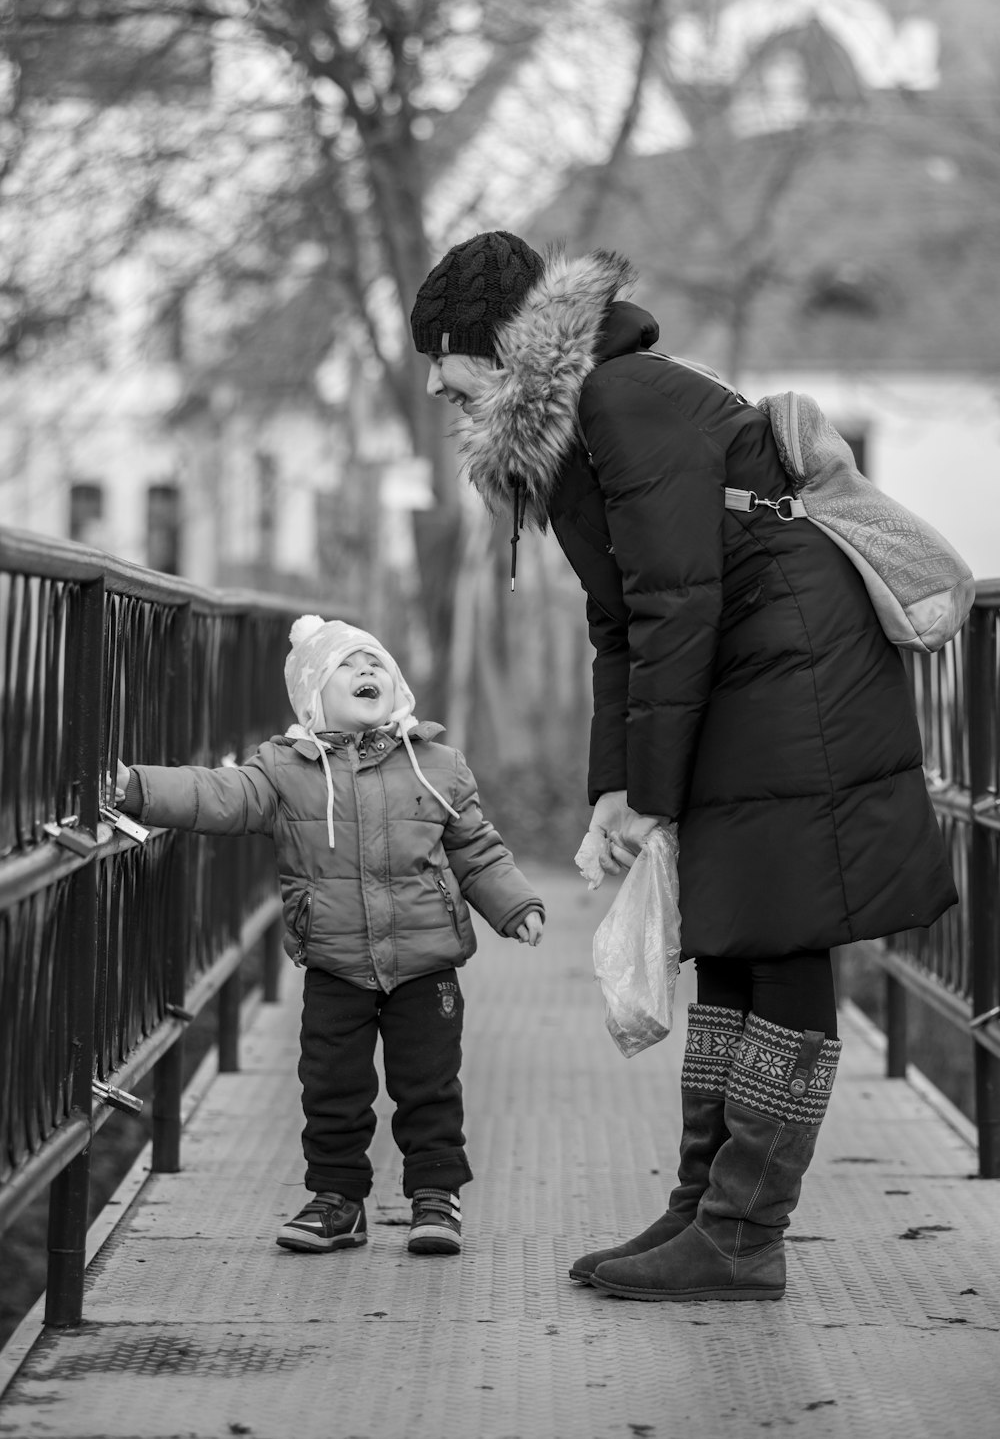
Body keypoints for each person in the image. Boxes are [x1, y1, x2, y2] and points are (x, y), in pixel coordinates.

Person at [409, 229, 957, 1301]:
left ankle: (744, 1233)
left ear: (492, 339)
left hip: (796, 671)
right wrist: (616, 789)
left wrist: (647, 789)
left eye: (442, 352)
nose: (433, 380)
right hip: (752, 668)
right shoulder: (574, 421)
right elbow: (621, 624)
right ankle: (704, 1208)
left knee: (783, 933)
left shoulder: (623, 399)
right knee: (732, 932)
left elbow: (674, 600)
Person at [110, 614, 544, 1258]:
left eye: (378, 665)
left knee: (429, 1084)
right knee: (331, 1089)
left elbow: (477, 851)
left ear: (397, 690)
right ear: (313, 696)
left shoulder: (438, 767)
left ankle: (435, 1195)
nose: (368, 671)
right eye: (348, 665)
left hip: (425, 966)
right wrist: (134, 787)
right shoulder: (284, 772)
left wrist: (515, 907)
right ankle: (339, 1200)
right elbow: (216, 794)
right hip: (335, 964)